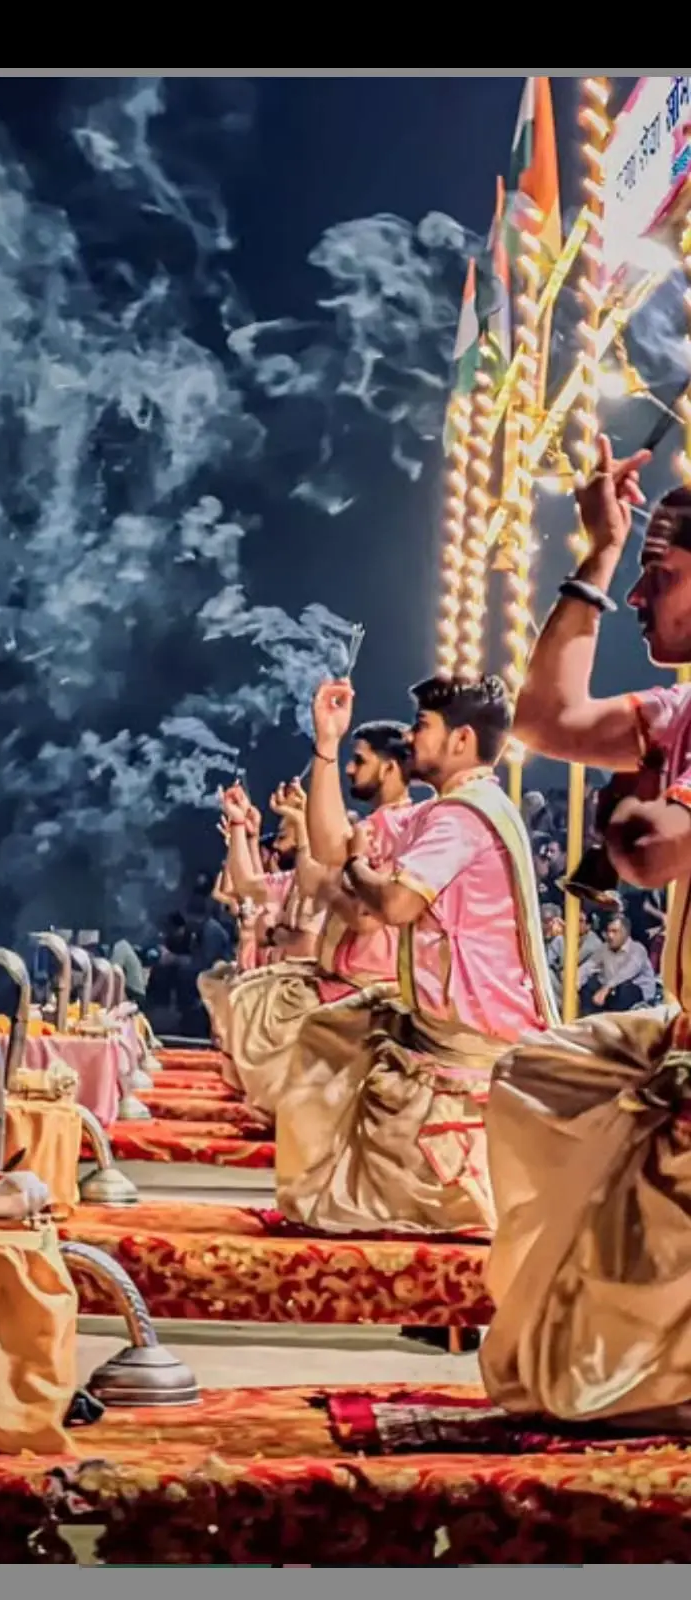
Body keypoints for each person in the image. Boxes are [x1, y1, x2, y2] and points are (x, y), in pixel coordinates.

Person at [480, 434, 691, 1429]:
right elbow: (544, 720)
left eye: (660, 573)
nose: (639, 598)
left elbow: (646, 848)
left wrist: (637, 808)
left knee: (586, 1374)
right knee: (544, 1074)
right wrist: (599, 553)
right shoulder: (679, 711)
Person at [275, 674, 557, 1234]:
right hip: (440, 1020)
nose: (410, 737)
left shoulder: (462, 818)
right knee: (330, 1032)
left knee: (330, 1043)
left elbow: (394, 905)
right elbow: (331, 847)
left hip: (468, 1034)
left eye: (422, 726)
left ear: (461, 740)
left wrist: (355, 867)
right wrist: (327, 743)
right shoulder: (447, 811)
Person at [200, 709, 415, 1117]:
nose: (350, 769)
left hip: (369, 981)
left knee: (254, 1001)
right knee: (245, 994)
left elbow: (360, 913)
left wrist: (326, 749)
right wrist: (243, 829)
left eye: (359, 760)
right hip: (341, 976)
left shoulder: (399, 828)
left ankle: (285, 1115)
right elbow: (252, 886)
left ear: (389, 768)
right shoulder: (374, 827)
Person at [578, 912, 656, 1014]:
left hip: (635, 995)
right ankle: (590, 1018)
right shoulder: (604, 948)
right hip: (610, 992)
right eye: (608, 931)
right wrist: (575, 980)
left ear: (625, 933)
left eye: (615, 931)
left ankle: (615, 1019)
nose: (610, 936)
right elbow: (589, 965)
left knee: (625, 988)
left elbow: (627, 971)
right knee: (589, 985)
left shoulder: (637, 949)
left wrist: (607, 988)